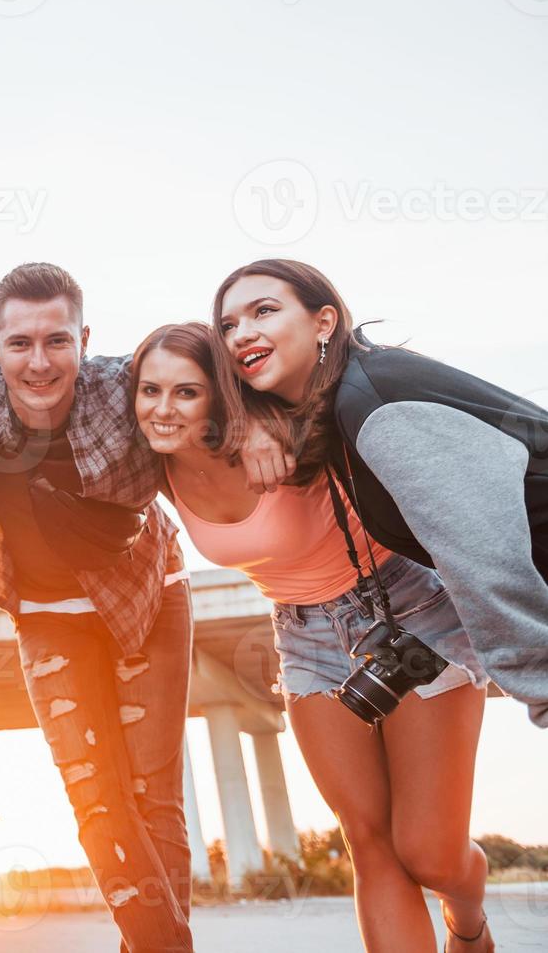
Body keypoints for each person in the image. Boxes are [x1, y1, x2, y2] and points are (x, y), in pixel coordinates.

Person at [132, 321, 493, 953]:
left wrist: (264, 422)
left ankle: (468, 923)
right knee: (369, 840)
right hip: (303, 636)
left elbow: (344, 388)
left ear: (219, 393)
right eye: (149, 389)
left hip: (406, 610)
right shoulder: (153, 465)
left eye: (185, 392)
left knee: (430, 854)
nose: (163, 409)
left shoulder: (286, 427)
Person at [0, 262, 196, 953]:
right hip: (46, 616)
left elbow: (217, 387)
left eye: (57, 341)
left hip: (147, 599)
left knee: (152, 795)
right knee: (96, 800)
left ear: (85, 339)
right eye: (20, 344)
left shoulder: (127, 385)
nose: (39, 362)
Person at [211, 258, 548, 737]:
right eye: (228, 325)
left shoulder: (376, 404)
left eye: (263, 311)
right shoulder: (346, 404)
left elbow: (485, 560)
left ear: (323, 322)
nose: (241, 333)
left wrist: (541, 690)